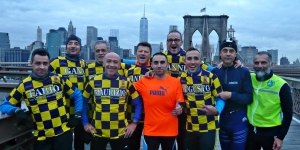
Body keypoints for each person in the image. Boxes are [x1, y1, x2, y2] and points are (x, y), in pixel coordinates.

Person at [0, 48, 83, 150]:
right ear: (31, 63)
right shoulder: (24, 85)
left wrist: (78, 115)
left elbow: (77, 94)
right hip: (42, 137)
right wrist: (16, 110)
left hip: (63, 134)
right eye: (38, 63)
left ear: (49, 64)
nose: (42, 67)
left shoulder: (58, 79)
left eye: (45, 63)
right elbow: (4, 105)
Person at [82, 52, 143, 150]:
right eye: (108, 61)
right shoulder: (93, 81)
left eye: (115, 62)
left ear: (119, 65)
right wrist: (85, 123)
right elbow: (83, 102)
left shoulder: (126, 82)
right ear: (103, 63)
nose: (112, 65)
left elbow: (138, 103)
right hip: (97, 132)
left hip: (121, 132)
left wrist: (134, 123)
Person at [134, 52, 184, 150]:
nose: (159, 65)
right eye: (156, 63)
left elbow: (180, 102)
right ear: (151, 65)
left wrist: (180, 108)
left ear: (167, 64)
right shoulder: (143, 82)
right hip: (150, 130)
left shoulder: (176, 82)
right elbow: (127, 90)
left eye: (162, 62)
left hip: (170, 130)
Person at [245, 51, 293, 150]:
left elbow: (288, 113)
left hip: (272, 133)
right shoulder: (249, 78)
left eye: (263, 62)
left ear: (271, 65)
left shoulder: (281, 85)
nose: (259, 66)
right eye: (256, 63)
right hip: (251, 131)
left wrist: (280, 137)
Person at [179, 47, 225, 150]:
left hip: (209, 127)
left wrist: (217, 110)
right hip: (189, 127)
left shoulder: (211, 77)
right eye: (189, 59)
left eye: (196, 58)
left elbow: (220, 98)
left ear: (200, 61)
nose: (192, 62)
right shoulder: (180, 79)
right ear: (184, 60)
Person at [211, 39, 253, 150]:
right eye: (225, 50)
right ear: (220, 53)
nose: (228, 53)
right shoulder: (215, 72)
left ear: (235, 54)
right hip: (223, 120)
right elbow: (197, 67)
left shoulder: (243, 71)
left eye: (231, 51)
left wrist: (231, 95)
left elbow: (249, 97)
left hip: (239, 119)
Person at [48, 34, 86, 150]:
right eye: (70, 44)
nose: (73, 46)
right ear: (66, 47)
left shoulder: (83, 63)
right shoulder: (56, 62)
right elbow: (44, 78)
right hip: (61, 110)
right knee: (64, 143)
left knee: (80, 142)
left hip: (78, 110)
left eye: (76, 44)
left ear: (80, 47)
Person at [124, 42, 152, 150]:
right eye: (140, 51)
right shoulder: (128, 71)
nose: (143, 53)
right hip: (131, 115)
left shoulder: (156, 71)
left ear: (150, 55)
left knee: (150, 146)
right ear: (136, 53)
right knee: (132, 146)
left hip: (150, 117)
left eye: (146, 52)